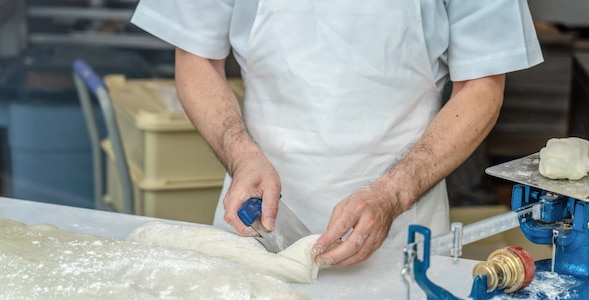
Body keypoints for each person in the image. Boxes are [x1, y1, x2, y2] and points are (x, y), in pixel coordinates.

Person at [131, 1, 543, 266]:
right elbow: (196, 58)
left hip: (400, 237)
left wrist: (393, 193)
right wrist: (241, 155)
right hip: (256, 226)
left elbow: (482, 86)